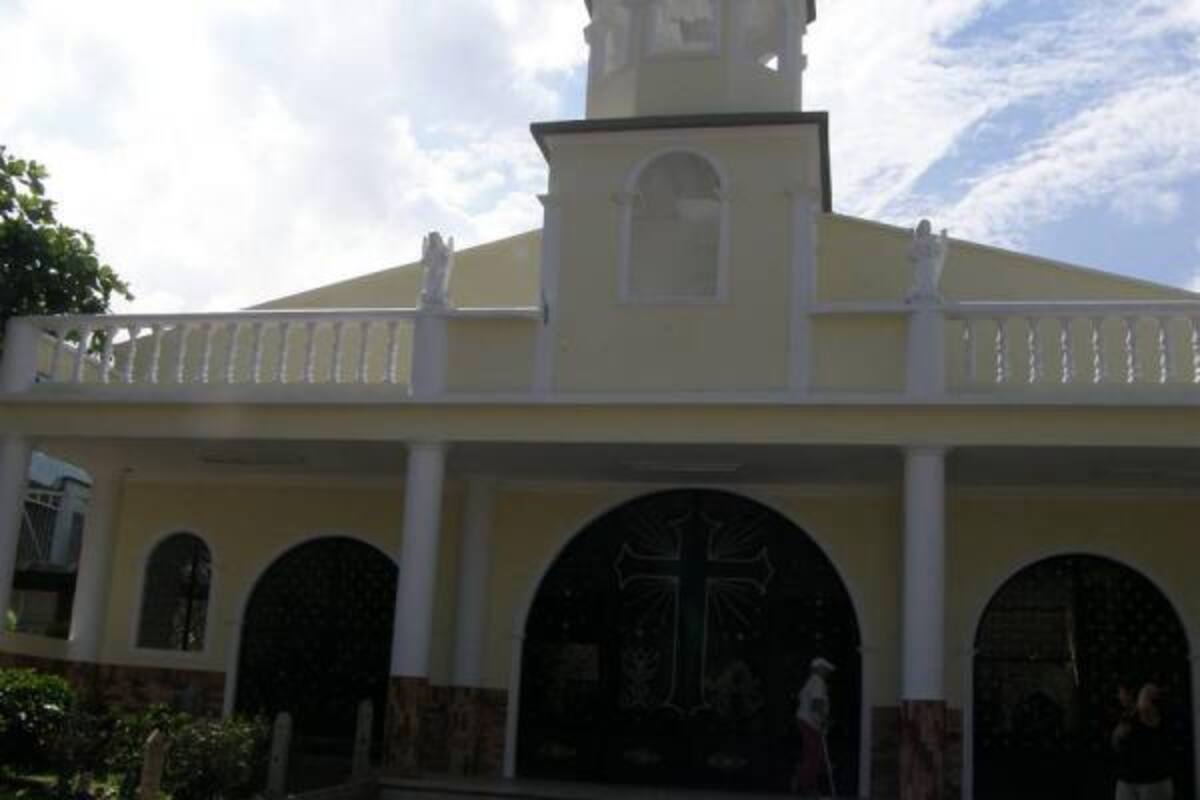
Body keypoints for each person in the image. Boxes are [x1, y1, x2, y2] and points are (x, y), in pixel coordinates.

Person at [1112, 683, 1174, 800]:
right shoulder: (1126, 715)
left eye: (1120, 692)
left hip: (1152, 781)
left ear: (1129, 693)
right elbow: (1116, 744)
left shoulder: (1149, 711)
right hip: (1127, 779)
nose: (1118, 697)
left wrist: (1143, 693)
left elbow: (1144, 707)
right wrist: (1117, 735)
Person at [791, 657, 835, 796]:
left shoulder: (812, 681)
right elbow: (817, 703)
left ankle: (805, 783)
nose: (827, 672)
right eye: (826, 669)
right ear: (819, 668)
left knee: (811, 754)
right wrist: (824, 720)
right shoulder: (817, 681)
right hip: (810, 722)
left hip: (807, 721)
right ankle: (806, 786)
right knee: (814, 755)